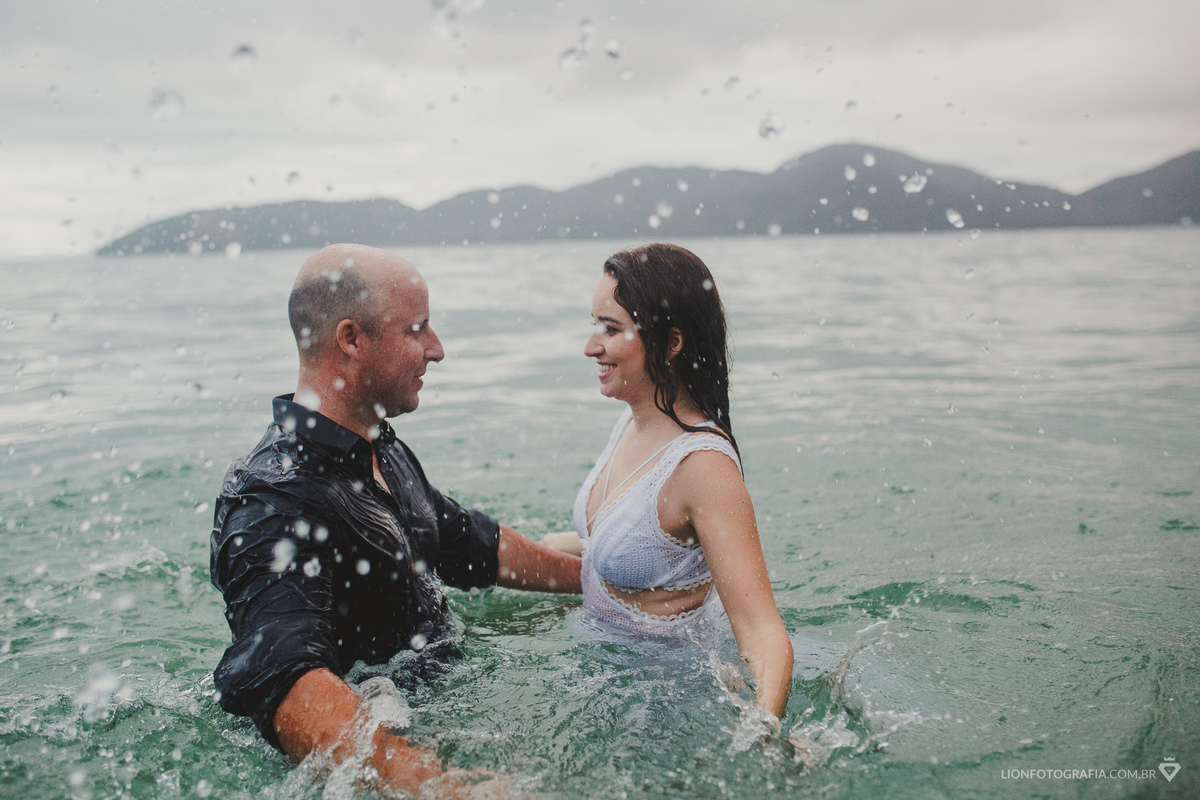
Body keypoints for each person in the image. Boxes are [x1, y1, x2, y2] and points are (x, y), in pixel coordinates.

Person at [209, 243, 582, 795]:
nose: (437, 350)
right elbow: (284, 678)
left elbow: (467, 540)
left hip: (435, 682)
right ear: (351, 339)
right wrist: (435, 784)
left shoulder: (378, 443)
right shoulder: (273, 498)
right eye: (416, 329)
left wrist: (594, 583)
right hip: (373, 740)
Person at [542, 243, 794, 719]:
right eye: (593, 324)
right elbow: (605, 542)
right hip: (604, 674)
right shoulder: (634, 422)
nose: (590, 346)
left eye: (611, 329)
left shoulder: (702, 466)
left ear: (670, 343)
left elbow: (761, 630)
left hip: (674, 701)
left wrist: (764, 732)